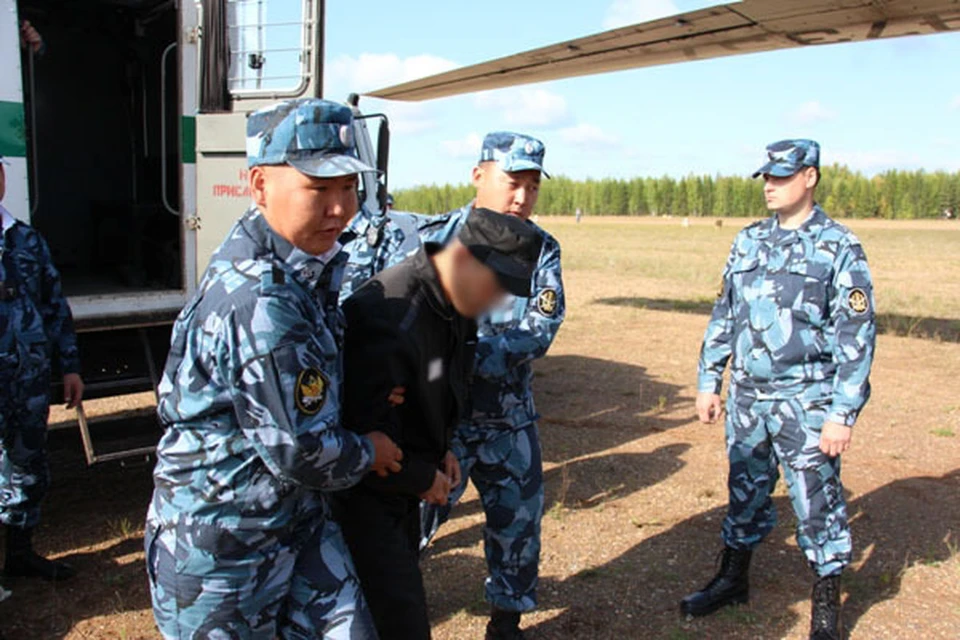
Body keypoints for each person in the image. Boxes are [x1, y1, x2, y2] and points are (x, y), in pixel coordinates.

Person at [144, 99, 404, 639]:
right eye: (319, 189)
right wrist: (371, 449)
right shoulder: (259, 299)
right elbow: (301, 450)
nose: (340, 209)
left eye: (349, 188)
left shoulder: (306, 272)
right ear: (260, 185)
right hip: (222, 551)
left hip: (296, 522)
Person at [682, 140, 876, 640]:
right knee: (744, 491)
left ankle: (827, 604)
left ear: (809, 177)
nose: (769, 185)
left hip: (807, 401)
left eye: (781, 176)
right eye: (766, 176)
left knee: (817, 502)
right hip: (748, 399)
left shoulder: (839, 246)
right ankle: (732, 578)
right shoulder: (748, 241)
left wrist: (842, 413)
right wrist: (710, 379)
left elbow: (856, 335)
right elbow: (725, 312)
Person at [337, 207, 543, 640]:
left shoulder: (455, 305)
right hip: (366, 498)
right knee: (396, 619)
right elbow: (358, 433)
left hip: (405, 484)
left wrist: (442, 447)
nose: (500, 301)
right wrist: (419, 476)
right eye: (498, 286)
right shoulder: (393, 314)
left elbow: (437, 382)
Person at [417, 132, 565, 640]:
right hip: (442, 422)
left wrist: (464, 356)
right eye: (511, 182)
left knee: (517, 528)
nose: (522, 197)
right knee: (410, 520)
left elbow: (540, 330)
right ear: (478, 175)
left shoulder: (541, 248)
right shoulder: (437, 239)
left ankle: (506, 622)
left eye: (532, 186)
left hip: (508, 418)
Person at [0, 155, 83, 583]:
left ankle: (19, 553)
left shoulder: (26, 241)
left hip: (27, 380)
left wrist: (69, 367)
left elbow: (54, 308)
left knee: (28, 465)